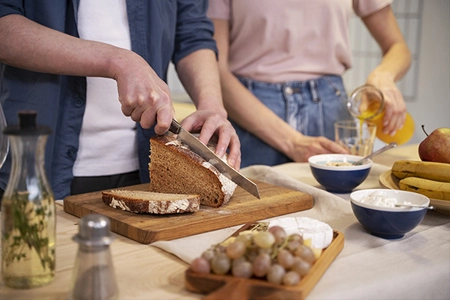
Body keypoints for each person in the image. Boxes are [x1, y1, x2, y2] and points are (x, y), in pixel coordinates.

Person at [0, 0, 241, 200]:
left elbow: (192, 32)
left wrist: (212, 105)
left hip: (145, 170)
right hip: (39, 166)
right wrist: (118, 62)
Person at [208, 0, 411, 167]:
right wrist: (293, 142)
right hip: (251, 114)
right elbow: (215, 69)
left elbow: (397, 46)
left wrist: (382, 77)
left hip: (330, 110)